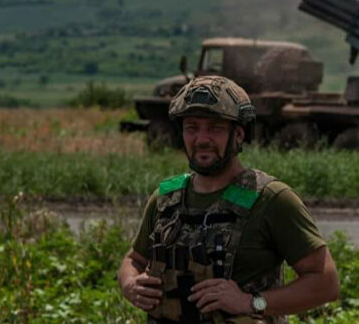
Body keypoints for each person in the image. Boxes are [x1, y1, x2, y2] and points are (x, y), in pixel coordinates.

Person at [118, 76, 339, 324]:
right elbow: (134, 259)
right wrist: (130, 283)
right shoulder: (166, 198)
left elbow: (325, 282)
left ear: (239, 134)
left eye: (215, 128)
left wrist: (251, 302)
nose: (202, 139)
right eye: (192, 127)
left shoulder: (271, 199)